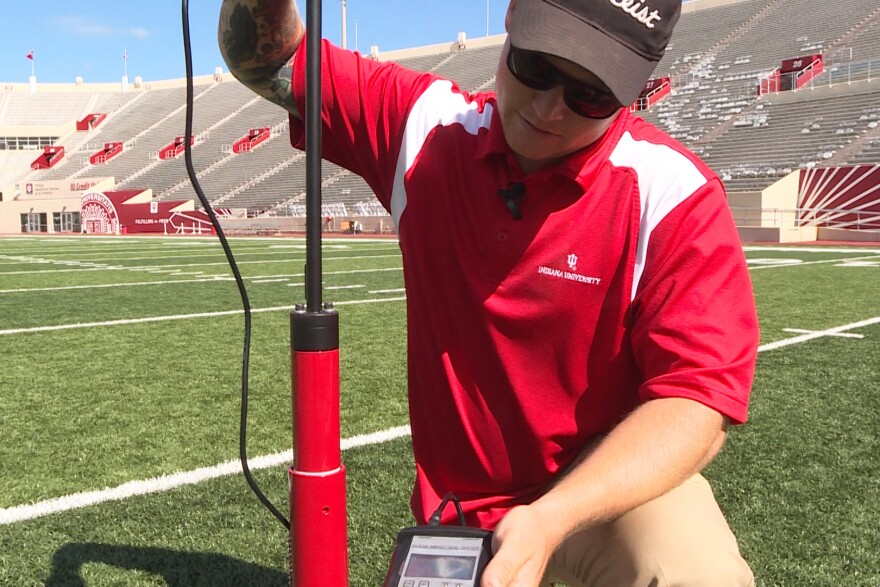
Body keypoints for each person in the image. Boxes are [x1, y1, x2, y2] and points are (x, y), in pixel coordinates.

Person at [218, 0, 760, 585]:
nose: (549, 107)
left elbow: (697, 401)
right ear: (511, 21)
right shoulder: (426, 129)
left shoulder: (673, 193)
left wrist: (552, 517)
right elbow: (270, 58)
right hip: (459, 512)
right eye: (536, 66)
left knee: (694, 573)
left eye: (591, 94)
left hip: (602, 491)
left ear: (634, 89)